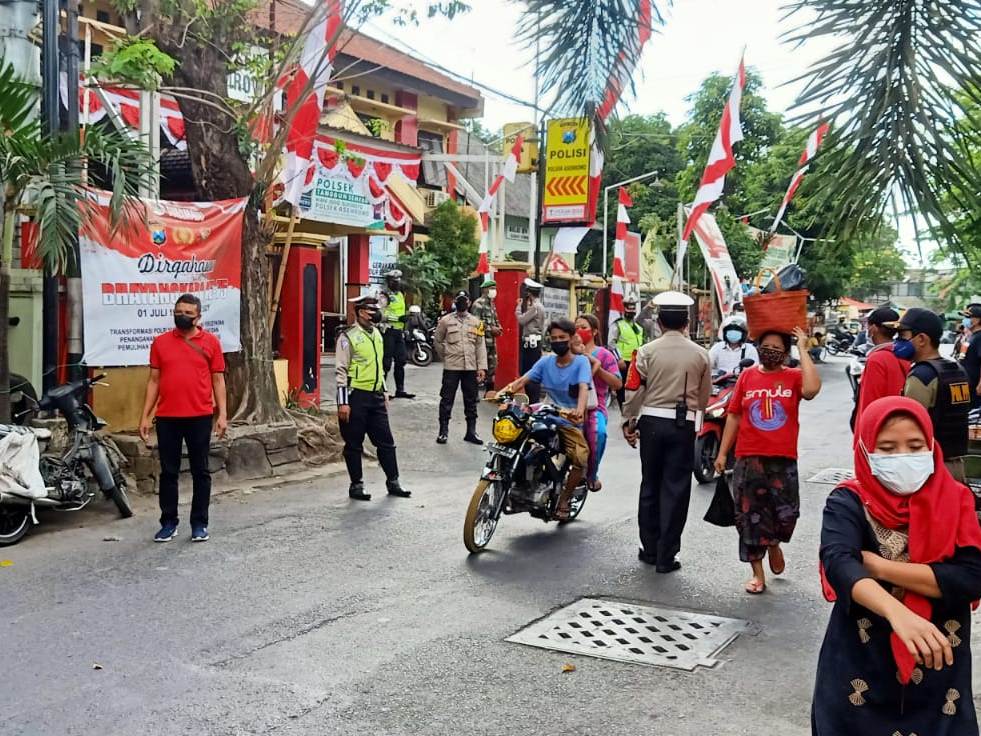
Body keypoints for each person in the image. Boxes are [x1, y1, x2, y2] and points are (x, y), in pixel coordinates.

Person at [812, 396, 981, 736]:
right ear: (865, 451)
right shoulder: (848, 501)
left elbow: (972, 578)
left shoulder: (959, 500)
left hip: (939, 663)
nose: (902, 457)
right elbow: (840, 563)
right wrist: (897, 611)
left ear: (931, 445)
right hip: (859, 662)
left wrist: (880, 568)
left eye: (915, 446)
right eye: (887, 448)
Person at [714, 328, 822, 594]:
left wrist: (803, 349)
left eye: (776, 347)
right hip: (749, 458)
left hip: (782, 460)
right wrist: (723, 453)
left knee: (786, 513)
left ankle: (774, 543)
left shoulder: (794, 377)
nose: (769, 350)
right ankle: (757, 573)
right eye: (766, 346)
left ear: (785, 352)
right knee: (748, 516)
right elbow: (735, 415)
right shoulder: (748, 376)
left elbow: (811, 390)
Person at [622, 291, 711, 573]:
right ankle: (666, 555)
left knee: (650, 485)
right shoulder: (701, 354)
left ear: (659, 322)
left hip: (650, 423)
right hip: (682, 426)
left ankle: (649, 549)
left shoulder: (646, 352)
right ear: (686, 322)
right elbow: (705, 397)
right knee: (676, 488)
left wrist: (629, 420)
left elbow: (634, 389)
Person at [140, 293, 228, 543]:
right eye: (179, 311)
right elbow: (154, 381)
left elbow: (218, 380)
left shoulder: (211, 342)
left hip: (200, 416)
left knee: (201, 472)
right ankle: (168, 522)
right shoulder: (160, 343)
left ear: (198, 316)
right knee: (169, 472)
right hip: (167, 417)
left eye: (188, 313)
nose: (183, 316)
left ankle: (199, 523)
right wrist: (145, 416)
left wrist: (222, 414)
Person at [500, 318, 592, 519]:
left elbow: (584, 388)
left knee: (580, 458)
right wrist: (503, 393)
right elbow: (523, 380)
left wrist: (578, 410)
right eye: (554, 338)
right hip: (545, 412)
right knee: (515, 435)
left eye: (562, 338)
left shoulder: (581, 363)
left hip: (569, 418)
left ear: (571, 339)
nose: (558, 341)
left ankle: (565, 498)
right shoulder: (545, 361)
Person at [335, 295, 411, 502]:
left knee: (386, 441)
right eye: (371, 310)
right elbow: (341, 370)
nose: (376, 314)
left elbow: (378, 366)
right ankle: (356, 485)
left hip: (376, 396)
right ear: (360, 312)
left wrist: (384, 390)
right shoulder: (347, 337)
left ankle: (393, 481)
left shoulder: (377, 333)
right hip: (355, 396)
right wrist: (343, 402)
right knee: (354, 443)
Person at [891, 308, 972, 482]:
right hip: (956, 465)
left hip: (932, 469)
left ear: (921, 339)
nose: (897, 341)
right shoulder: (957, 370)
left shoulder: (922, 376)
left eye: (902, 335)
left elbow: (909, 427)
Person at [574, 313, 622, 491]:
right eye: (576, 327)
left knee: (599, 433)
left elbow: (617, 383)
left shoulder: (604, 354)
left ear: (594, 331)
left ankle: (591, 475)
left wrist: (597, 367)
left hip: (595, 407)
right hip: (568, 403)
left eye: (583, 327)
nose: (579, 331)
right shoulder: (568, 352)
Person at [434, 290, 487, 445]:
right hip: (452, 367)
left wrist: (481, 367)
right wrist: (447, 356)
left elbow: (480, 346)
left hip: (470, 367)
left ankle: (471, 432)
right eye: (459, 300)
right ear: (455, 302)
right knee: (446, 399)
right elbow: (438, 341)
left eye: (465, 300)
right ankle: (443, 431)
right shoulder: (445, 321)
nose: (462, 303)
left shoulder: (477, 322)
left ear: (469, 302)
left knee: (471, 401)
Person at [852, 307, 908, 433]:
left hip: (879, 430)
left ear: (873, 328)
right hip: (899, 426)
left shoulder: (877, 359)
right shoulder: (905, 355)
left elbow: (870, 404)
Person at [379, 269, 414, 399]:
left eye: (398, 281)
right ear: (389, 282)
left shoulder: (400, 295)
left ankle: (400, 390)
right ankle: (381, 391)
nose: (397, 284)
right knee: (386, 362)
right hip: (388, 331)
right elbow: (380, 315)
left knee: (401, 360)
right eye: (394, 282)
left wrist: (404, 323)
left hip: (398, 332)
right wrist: (397, 319)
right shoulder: (383, 295)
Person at [608, 298, 645, 407]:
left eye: (633, 309)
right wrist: (619, 359)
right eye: (628, 309)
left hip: (636, 362)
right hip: (623, 362)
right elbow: (611, 343)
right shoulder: (618, 324)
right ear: (624, 309)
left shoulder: (638, 327)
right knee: (622, 389)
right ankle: (623, 410)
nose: (631, 311)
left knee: (636, 387)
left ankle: (631, 410)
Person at [516, 278, 546, 403]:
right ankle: (533, 399)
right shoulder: (540, 306)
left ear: (529, 293)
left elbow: (522, 320)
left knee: (528, 372)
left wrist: (518, 307)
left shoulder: (535, 307)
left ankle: (533, 400)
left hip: (530, 343)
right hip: (535, 341)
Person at [471, 278, 502, 397]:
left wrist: (499, 328)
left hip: (491, 343)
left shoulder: (492, 304)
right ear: (485, 290)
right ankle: (473, 395)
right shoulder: (478, 304)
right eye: (492, 289)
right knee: (479, 369)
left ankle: (488, 394)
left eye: (495, 288)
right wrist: (490, 329)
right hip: (481, 343)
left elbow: (496, 320)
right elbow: (475, 323)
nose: (494, 291)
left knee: (492, 368)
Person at [960, 302, 981, 409]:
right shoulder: (971, 336)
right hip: (965, 384)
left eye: (968, 317)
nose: (965, 320)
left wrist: (980, 385)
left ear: (977, 320)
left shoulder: (979, 337)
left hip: (975, 386)